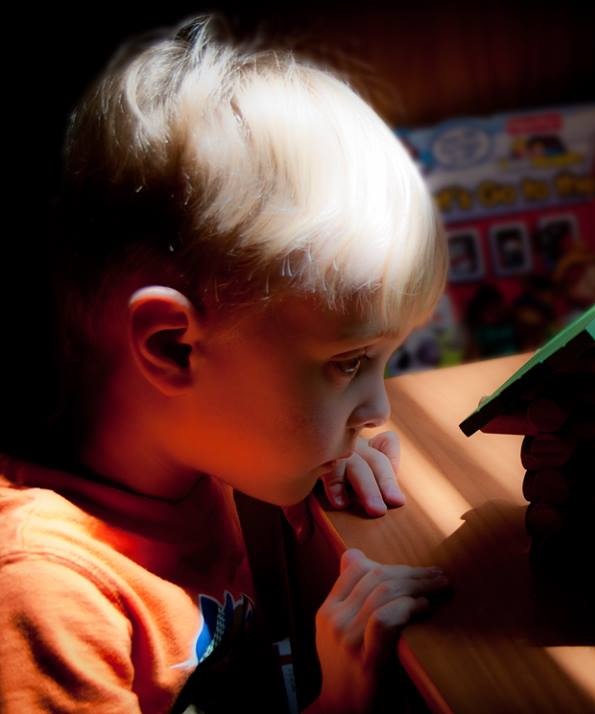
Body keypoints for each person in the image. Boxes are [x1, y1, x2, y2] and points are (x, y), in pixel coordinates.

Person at [0, 14, 450, 713]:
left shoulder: (199, 459)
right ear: (172, 348)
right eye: (349, 362)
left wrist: (321, 473)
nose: (377, 411)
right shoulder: (49, 595)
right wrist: (338, 704)